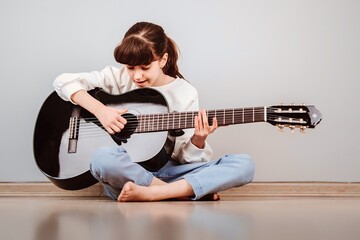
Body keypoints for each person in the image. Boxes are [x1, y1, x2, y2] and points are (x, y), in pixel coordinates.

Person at [53, 21, 254, 202]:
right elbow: (62, 82)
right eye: (131, 67)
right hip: (130, 173)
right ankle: (175, 192)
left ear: (163, 60)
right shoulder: (119, 77)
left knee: (244, 165)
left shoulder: (184, 92)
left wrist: (198, 140)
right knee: (102, 159)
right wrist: (101, 111)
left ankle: (156, 192)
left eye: (145, 67)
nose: (137, 76)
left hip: (168, 172)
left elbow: (186, 160)